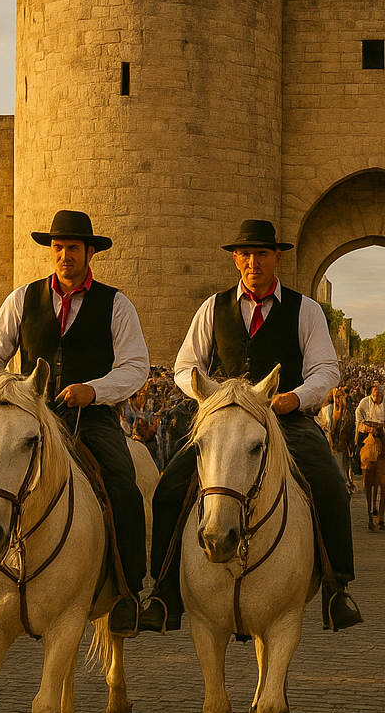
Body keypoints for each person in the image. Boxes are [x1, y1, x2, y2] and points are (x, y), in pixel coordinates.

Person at [0, 209, 149, 632]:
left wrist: (94, 389)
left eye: (73, 248)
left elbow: (136, 366)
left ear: (89, 253)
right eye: (58, 248)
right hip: (26, 414)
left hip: (88, 416)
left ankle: (125, 591)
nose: (65, 256)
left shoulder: (116, 304)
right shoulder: (22, 299)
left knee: (121, 483)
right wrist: (10, 388)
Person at [142, 219, 361, 633]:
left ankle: (336, 586)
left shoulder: (305, 310)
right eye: (245, 254)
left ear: (277, 257)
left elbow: (325, 370)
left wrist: (295, 397)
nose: (253, 262)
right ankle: (164, 590)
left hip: (283, 420)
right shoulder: (213, 307)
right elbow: (186, 366)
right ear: (234, 260)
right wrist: (212, 395)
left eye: (262, 254)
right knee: (171, 487)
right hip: (223, 420)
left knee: (328, 481)